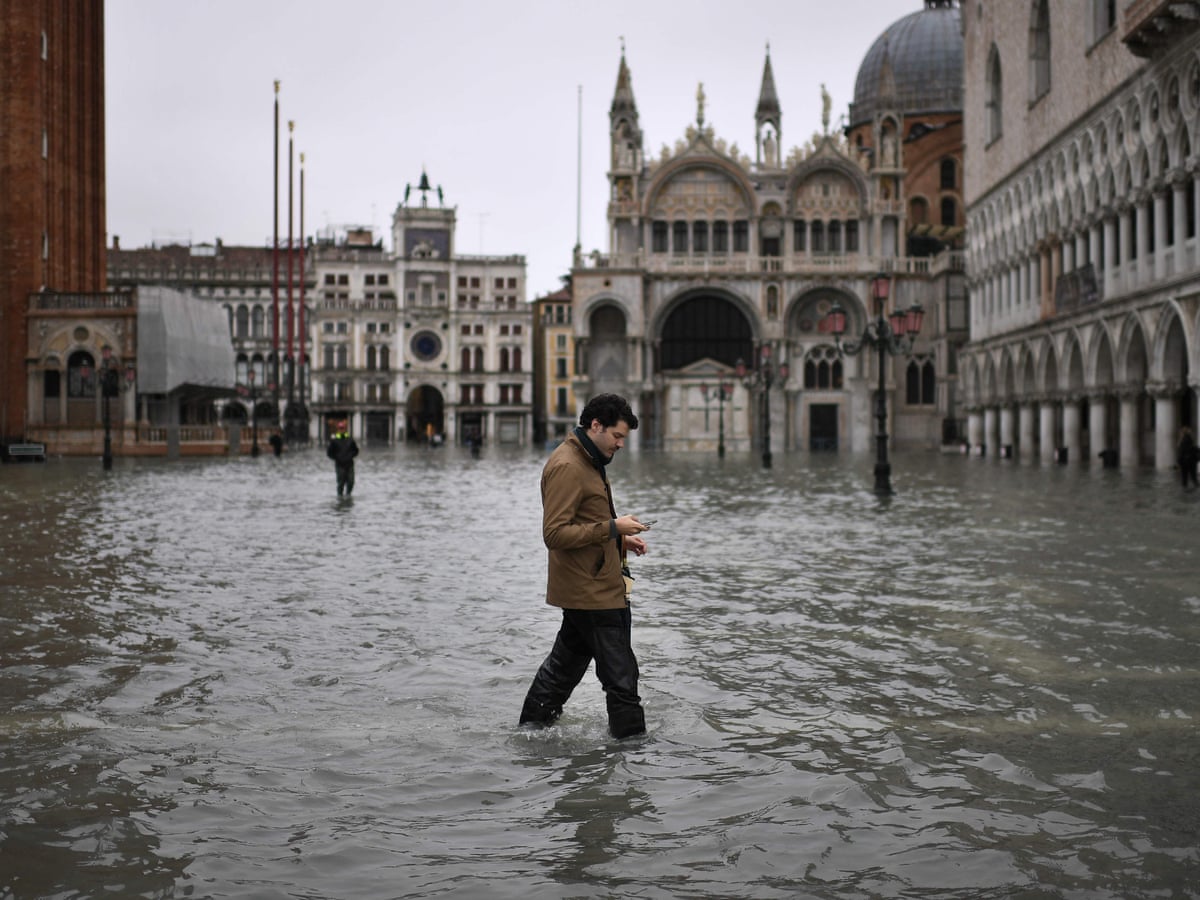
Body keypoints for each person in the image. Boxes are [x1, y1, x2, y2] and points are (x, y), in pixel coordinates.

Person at [519, 394, 651, 739]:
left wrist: (621, 540)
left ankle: (530, 735)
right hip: (593, 593)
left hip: (593, 586)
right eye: (617, 436)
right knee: (622, 679)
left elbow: (584, 521)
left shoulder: (588, 459)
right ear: (596, 425)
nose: (621, 444)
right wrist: (613, 528)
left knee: (562, 671)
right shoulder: (568, 466)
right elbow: (554, 534)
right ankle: (633, 755)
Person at [326, 421, 359, 496]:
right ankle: (340, 496)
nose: (342, 430)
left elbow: (356, 451)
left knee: (351, 481)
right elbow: (329, 453)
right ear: (338, 429)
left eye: (343, 428)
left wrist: (350, 456)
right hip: (340, 465)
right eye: (340, 428)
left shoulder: (350, 439)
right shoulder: (334, 440)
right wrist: (337, 458)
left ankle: (348, 495)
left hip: (349, 464)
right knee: (341, 482)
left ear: (345, 429)